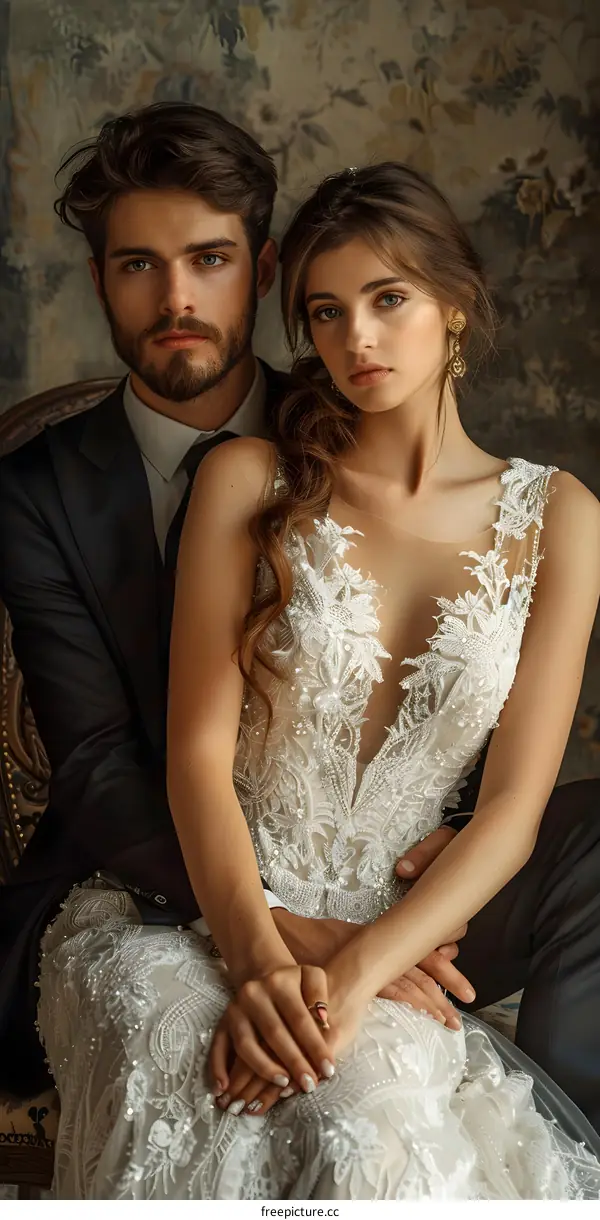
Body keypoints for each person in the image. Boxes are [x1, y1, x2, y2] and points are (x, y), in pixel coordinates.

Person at [34, 163, 600, 1199]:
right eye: (327, 312)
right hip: (191, 918)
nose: (357, 339)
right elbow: (197, 758)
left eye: (388, 299)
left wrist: (354, 975)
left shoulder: (561, 516)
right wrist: (256, 957)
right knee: (208, 1094)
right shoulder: (248, 480)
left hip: (388, 945)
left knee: (368, 1140)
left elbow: (512, 813)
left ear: (455, 302)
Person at [0, 105, 476, 1111]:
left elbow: (460, 643)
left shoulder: (367, 413)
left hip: (377, 887)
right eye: (138, 264)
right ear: (99, 279)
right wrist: (273, 924)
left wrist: (450, 839)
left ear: (262, 271)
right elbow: (93, 761)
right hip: (134, 886)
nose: (175, 297)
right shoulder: (35, 492)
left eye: (208, 259)